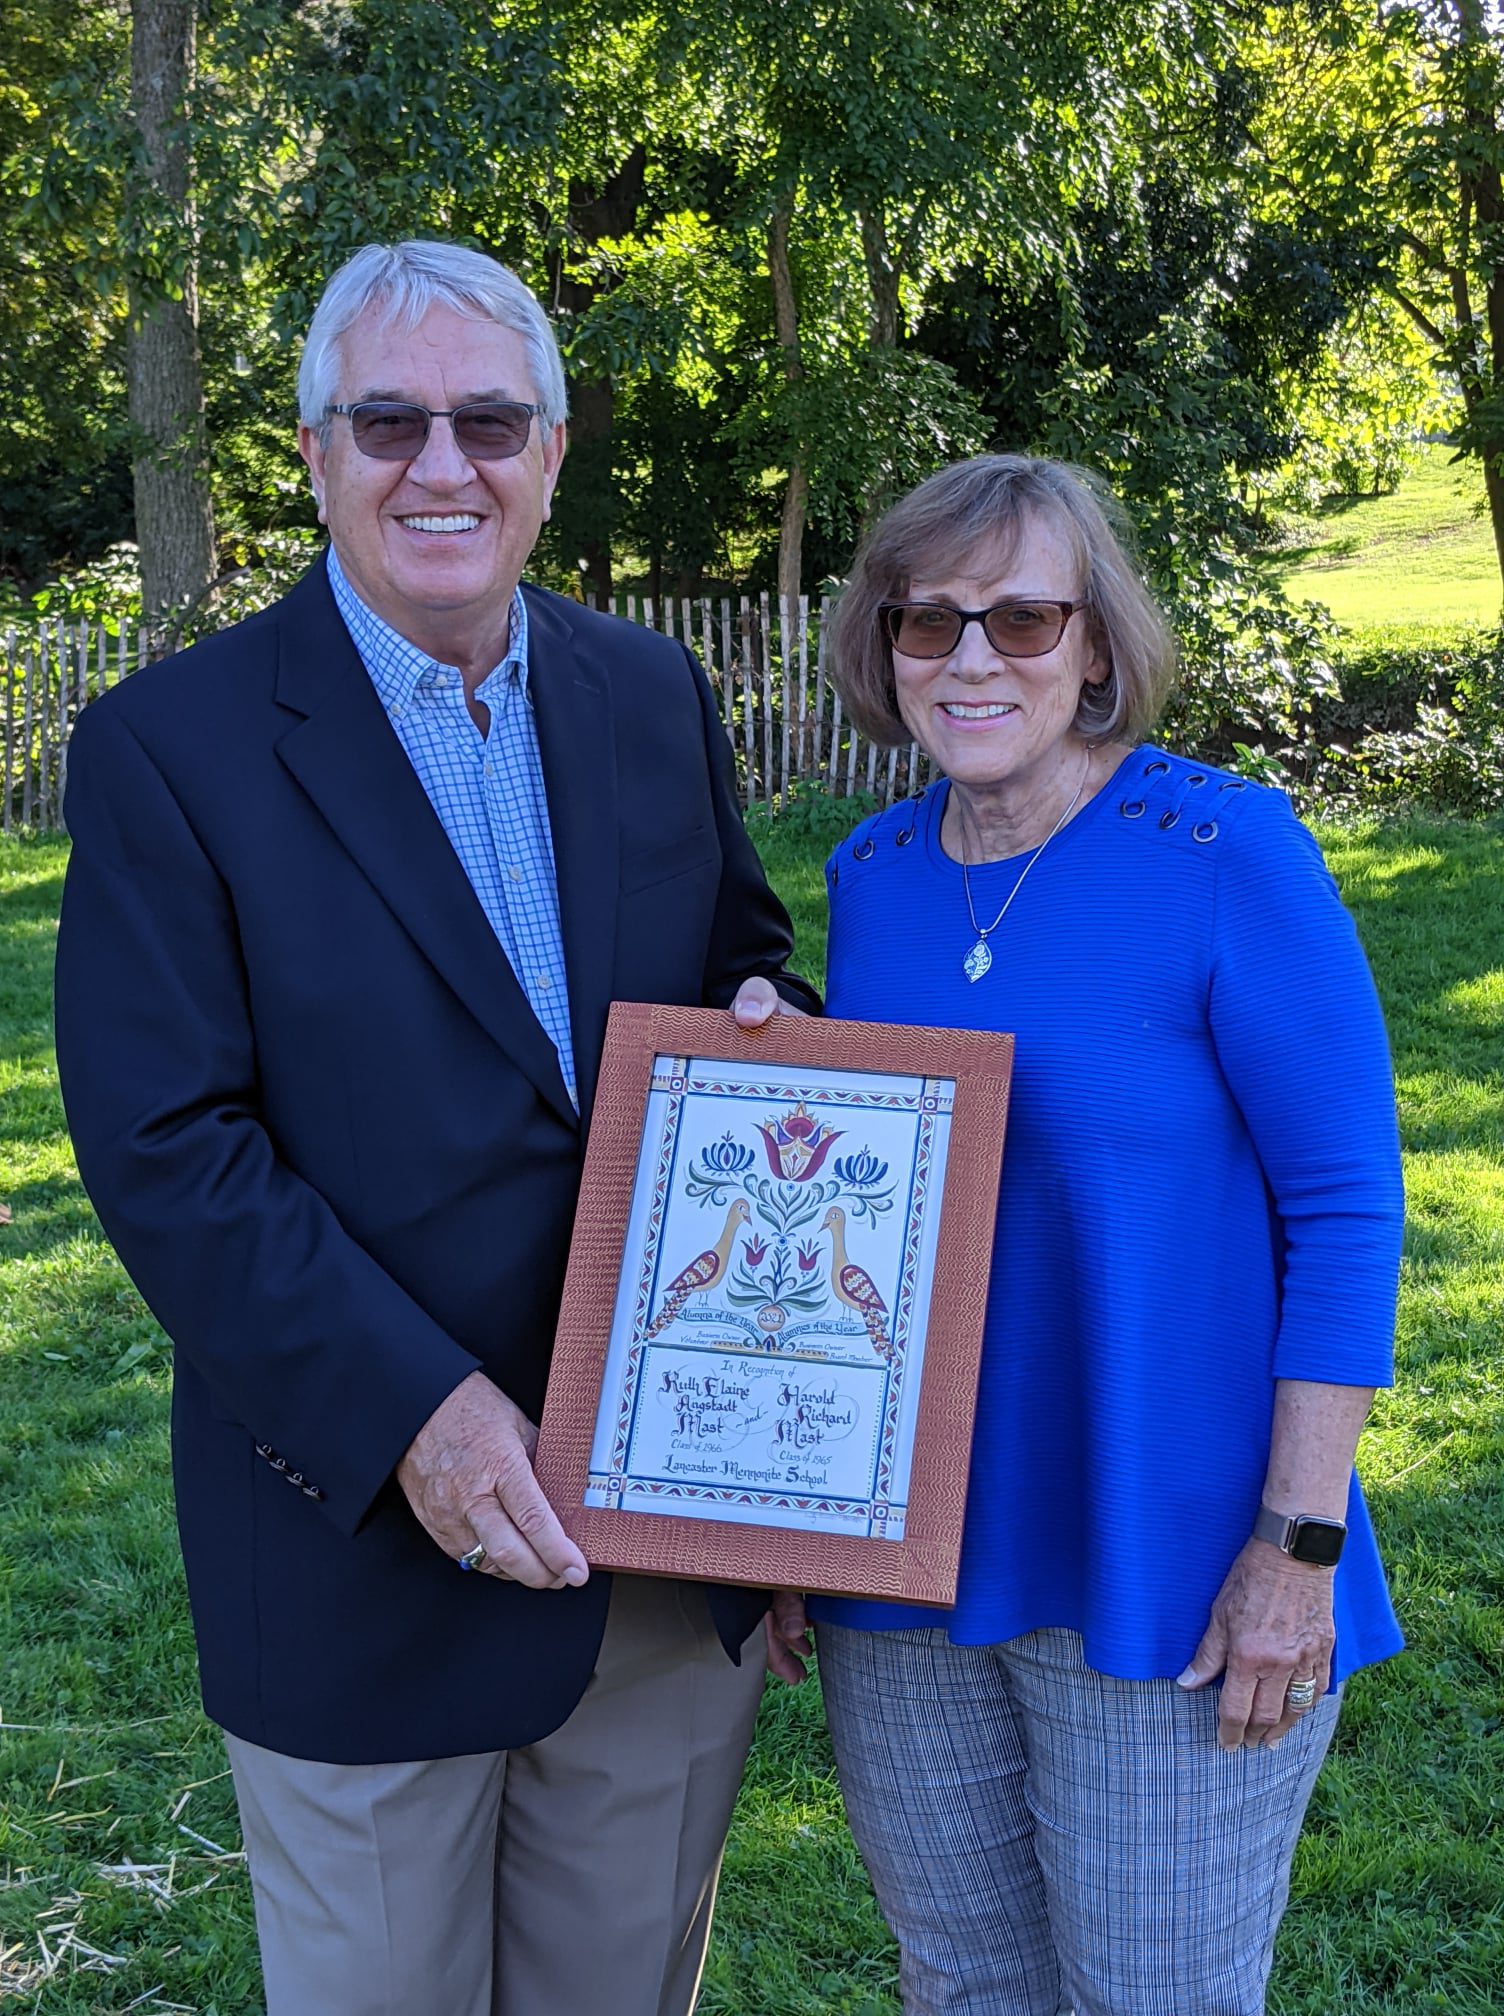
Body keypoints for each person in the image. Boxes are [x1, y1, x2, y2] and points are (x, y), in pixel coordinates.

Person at [54, 239, 819, 2016]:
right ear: (314, 454)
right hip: (364, 1568)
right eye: (388, 421)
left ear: (553, 451)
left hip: (650, 1554)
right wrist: (417, 1415)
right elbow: (169, 1146)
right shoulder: (174, 747)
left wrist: (769, 1034)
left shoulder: (650, 695)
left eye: (488, 419)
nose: (442, 464)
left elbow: (739, 961)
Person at [768, 453, 1405, 2015]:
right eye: (931, 624)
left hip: (1176, 1553)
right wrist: (777, 1516)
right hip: (908, 1563)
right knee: (964, 1987)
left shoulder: (1223, 856)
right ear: (885, 647)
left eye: (1025, 618)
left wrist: (1295, 1547)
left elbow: (1346, 1215)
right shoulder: (878, 880)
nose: (974, 659)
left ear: (1100, 644)